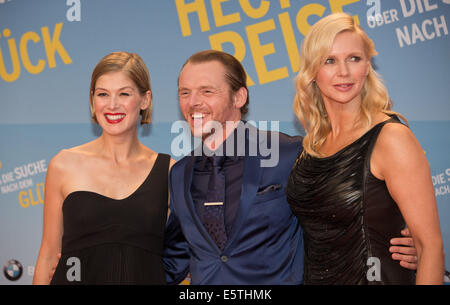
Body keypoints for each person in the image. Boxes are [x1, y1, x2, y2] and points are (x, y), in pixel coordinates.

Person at [163, 50, 419, 285]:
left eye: (207, 91)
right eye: (184, 92)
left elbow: (344, 212)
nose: (193, 102)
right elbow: (178, 255)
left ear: (239, 97)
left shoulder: (291, 153)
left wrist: (398, 243)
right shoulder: (180, 173)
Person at [286, 13, 444, 284]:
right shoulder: (312, 145)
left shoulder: (390, 138)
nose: (344, 72)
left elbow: (430, 248)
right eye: (330, 60)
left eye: (354, 59)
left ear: (368, 66)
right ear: (313, 71)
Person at [33, 52, 174, 284]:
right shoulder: (63, 164)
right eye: (103, 94)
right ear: (92, 99)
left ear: (145, 99)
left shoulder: (169, 172)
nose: (112, 105)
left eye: (124, 94)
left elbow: (189, 251)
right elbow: (48, 256)